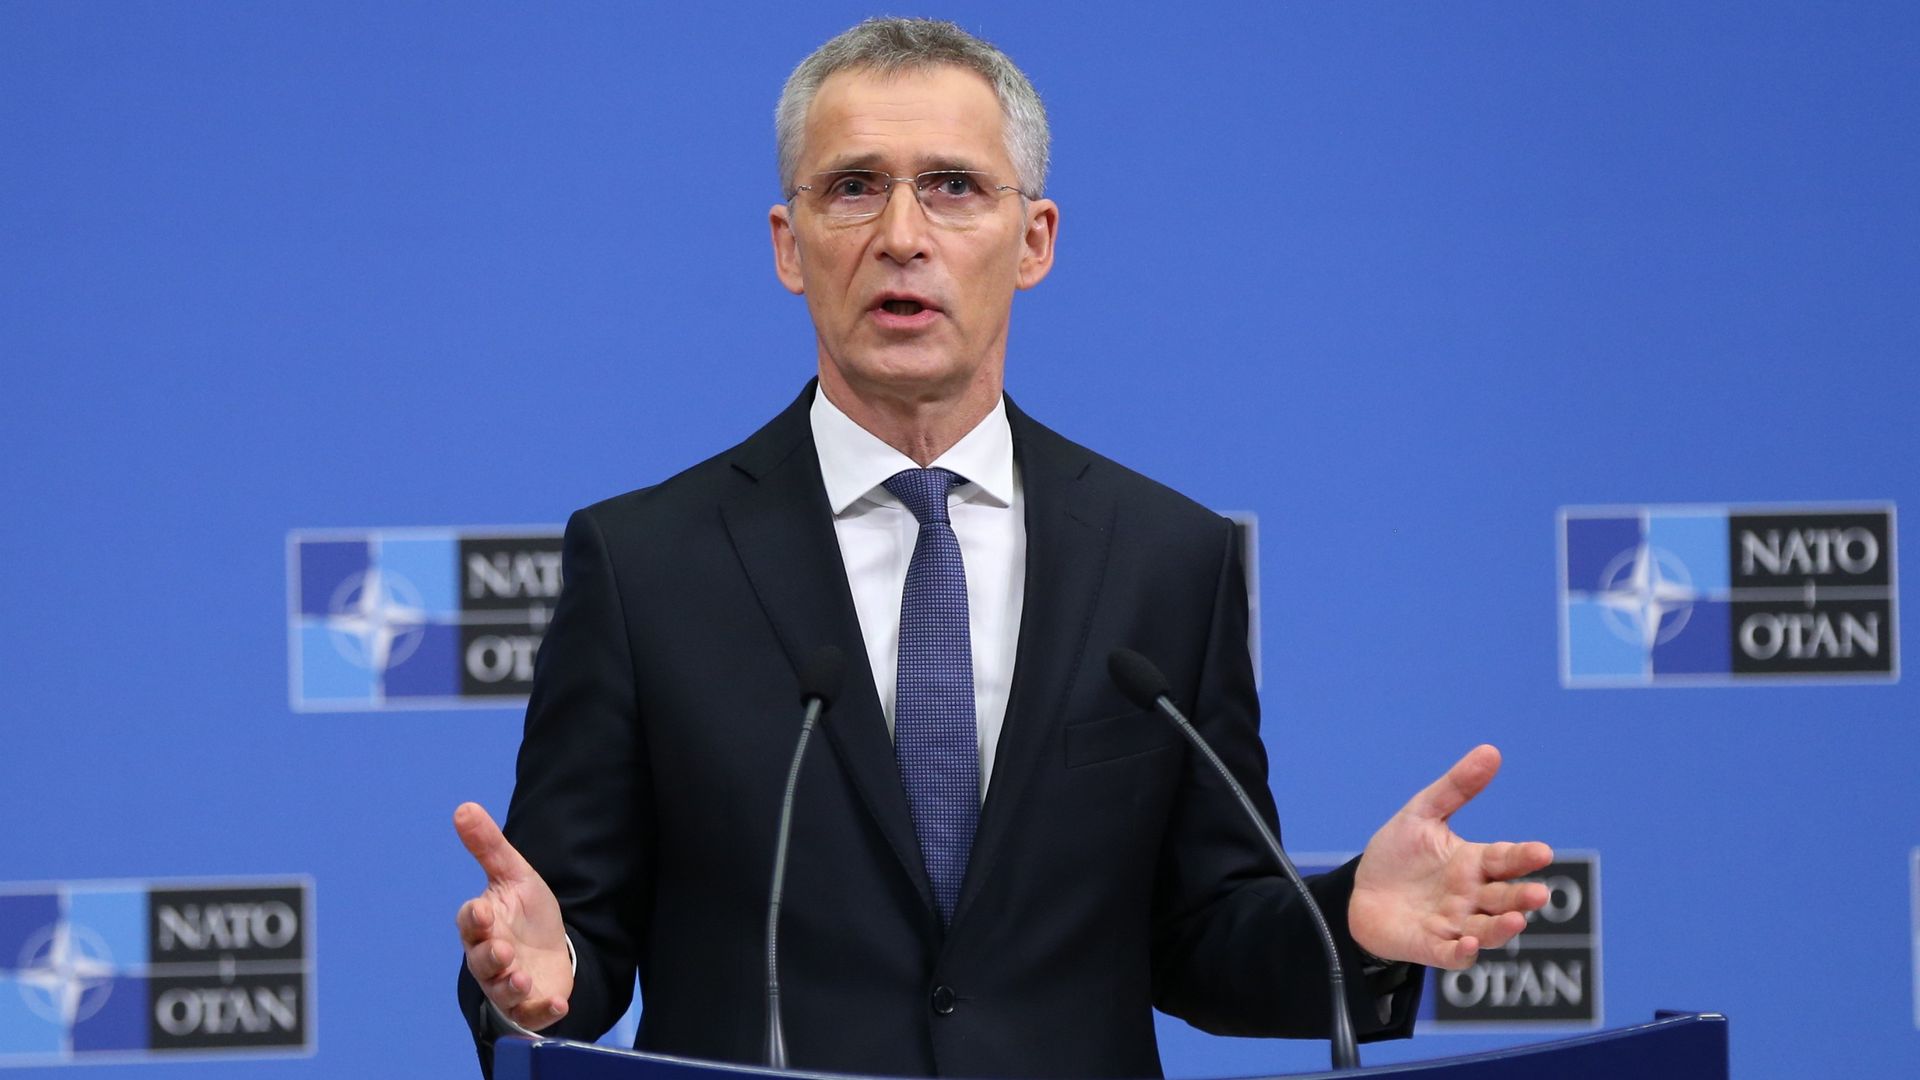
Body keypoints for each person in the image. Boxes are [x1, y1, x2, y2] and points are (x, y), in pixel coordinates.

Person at [454, 17, 1552, 1079]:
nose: (901, 234)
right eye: (853, 187)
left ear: (1035, 241)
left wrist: (1349, 920)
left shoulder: (1165, 557)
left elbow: (1204, 934)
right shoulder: (646, 565)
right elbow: (568, 944)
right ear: (790, 245)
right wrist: (533, 980)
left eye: (953, 186)